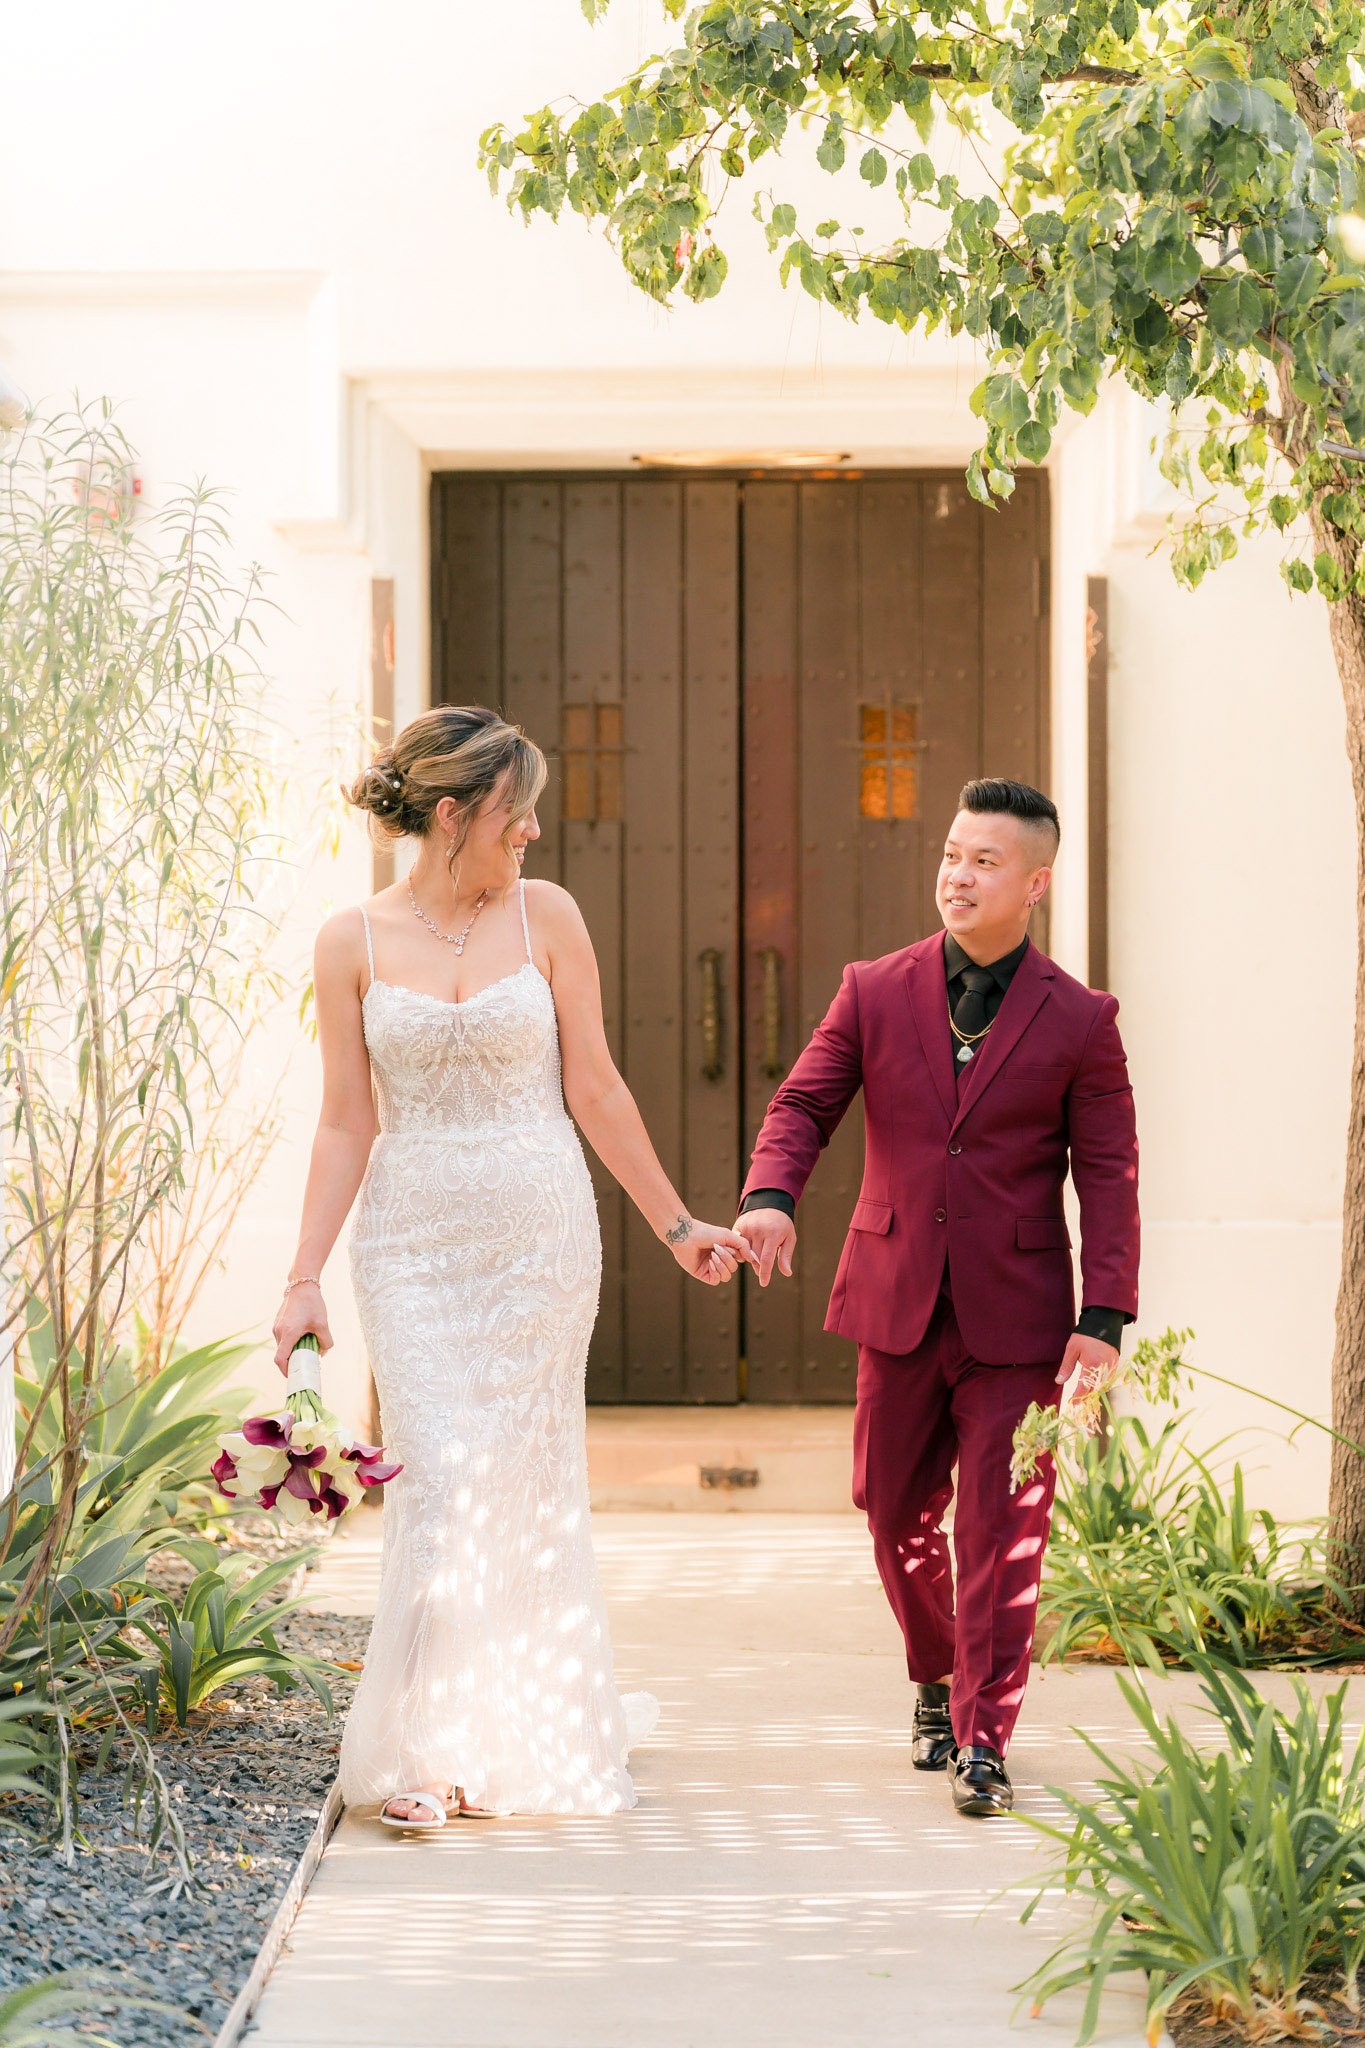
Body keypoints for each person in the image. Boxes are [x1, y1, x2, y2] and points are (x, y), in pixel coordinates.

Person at [273, 705, 753, 1828]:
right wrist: (304, 1273)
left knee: (519, 1480)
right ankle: (431, 1748)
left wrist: (677, 1223)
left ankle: (503, 1722)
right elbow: (346, 1120)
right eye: (514, 810)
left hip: (539, 1237)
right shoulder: (351, 938)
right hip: (413, 1246)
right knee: (438, 1478)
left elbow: (597, 1084)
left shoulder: (550, 917)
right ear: (451, 816)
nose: (532, 830)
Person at [735, 779, 1139, 1818]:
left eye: (985, 861)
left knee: (1005, 1529)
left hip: (1022, 1320)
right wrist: (772, 1195)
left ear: (1035, 882)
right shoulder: (874, 988)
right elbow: (806, 1100)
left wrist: (1105, 1316)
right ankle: (933, 1674)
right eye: (953, 854)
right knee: (891, 1511)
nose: (959, 874)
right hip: (896, 1296)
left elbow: (1108, 1170)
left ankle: (983, 1736)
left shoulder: (1082, 1018)